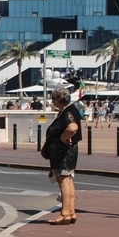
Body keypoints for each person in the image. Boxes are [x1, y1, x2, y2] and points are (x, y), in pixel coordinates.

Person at [41, 87, 82, 226]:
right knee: (68, 180)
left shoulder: (68, 113)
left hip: (62, 152)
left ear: (59, 99)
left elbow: (73, 127)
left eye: (53, 99)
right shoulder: (70, 111)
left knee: (63, 181)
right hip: (67, 151)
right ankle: (71, 212)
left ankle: (65, 213)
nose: (52, 101)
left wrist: (63, 138)